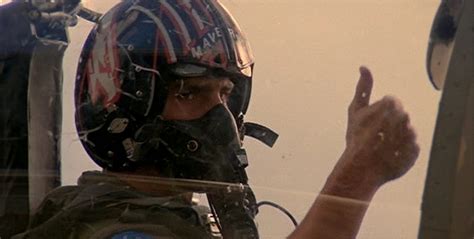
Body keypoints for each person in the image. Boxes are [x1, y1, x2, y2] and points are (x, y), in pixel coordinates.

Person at [14, 0, 419, 238]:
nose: (221, 118)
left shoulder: (165, 218)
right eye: (190, 92)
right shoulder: (122, 232)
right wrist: (358, 175)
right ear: (124, 105)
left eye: (225, 93)